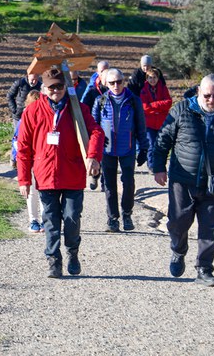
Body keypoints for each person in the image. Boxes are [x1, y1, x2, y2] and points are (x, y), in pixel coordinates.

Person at [153, 74, 214, 287]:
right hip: (182, 179)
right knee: (178, 222)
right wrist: (158, 167)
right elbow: (162, 140)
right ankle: (178, 250)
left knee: (210, 228)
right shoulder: (181, 110)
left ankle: (204, 270)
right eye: (207, 95)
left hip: (213, 181)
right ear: (198, 91)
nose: (211, 100)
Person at [17, 68, 105, 278]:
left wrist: (93, 156)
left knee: (72, 218)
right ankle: (53, 260)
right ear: (43, 88)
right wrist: (24, 179)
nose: (56, 90)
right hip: (45, 175)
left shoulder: (78, 109)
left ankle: (72, 253)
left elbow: (96, 132)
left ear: (66, 87)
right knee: (50, 220)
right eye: (51, 87)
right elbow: (23, 148)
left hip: (72, 174)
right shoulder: (32, 111)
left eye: (59, 86)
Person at [91, 68, 148, 232]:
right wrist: (95, 150)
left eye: (119, 82)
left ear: (124, 82)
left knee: (129, 183)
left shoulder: (133, 100)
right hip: (107, 150)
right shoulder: (100, 101)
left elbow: (141, 126)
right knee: (109, 185)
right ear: (106, 84)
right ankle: (112, 219)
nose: (116, 85)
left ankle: (127, 213)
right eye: (112, 82)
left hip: (128, 148)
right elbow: (94, 127)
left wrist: (143, 148)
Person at [11, 90, 44, 233]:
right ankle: (34, 220)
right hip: (29, 160)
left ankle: (41, 220)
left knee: (41, 191)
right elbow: (17, 140)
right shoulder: (25, 118)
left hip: (41, 159)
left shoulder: (45, 115)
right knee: (34, 192)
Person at [139, 67, 172, 172]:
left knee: (162, 145)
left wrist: (153, 106)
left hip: (162, 123)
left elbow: (168, 102)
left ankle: (161, 164)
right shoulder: (144, 90)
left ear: (158, 78)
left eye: (154, 77)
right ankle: (151, 164)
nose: (152, 80)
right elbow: (145, 107)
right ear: (146, 78)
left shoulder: (163, 88)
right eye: (150, 78)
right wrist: (159, 107)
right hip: (149, 123)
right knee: (151, 144)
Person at [6, 73, 41, 167]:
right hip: (19, 116)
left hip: (33, 116)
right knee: (18, 137)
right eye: (33, 79)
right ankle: (14, 158)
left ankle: (28, 159)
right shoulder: (19, 83)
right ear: (28, 76)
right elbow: (9, 96)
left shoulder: (39, 86)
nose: (34, 81)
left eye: (36, 79)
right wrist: (15, 110)